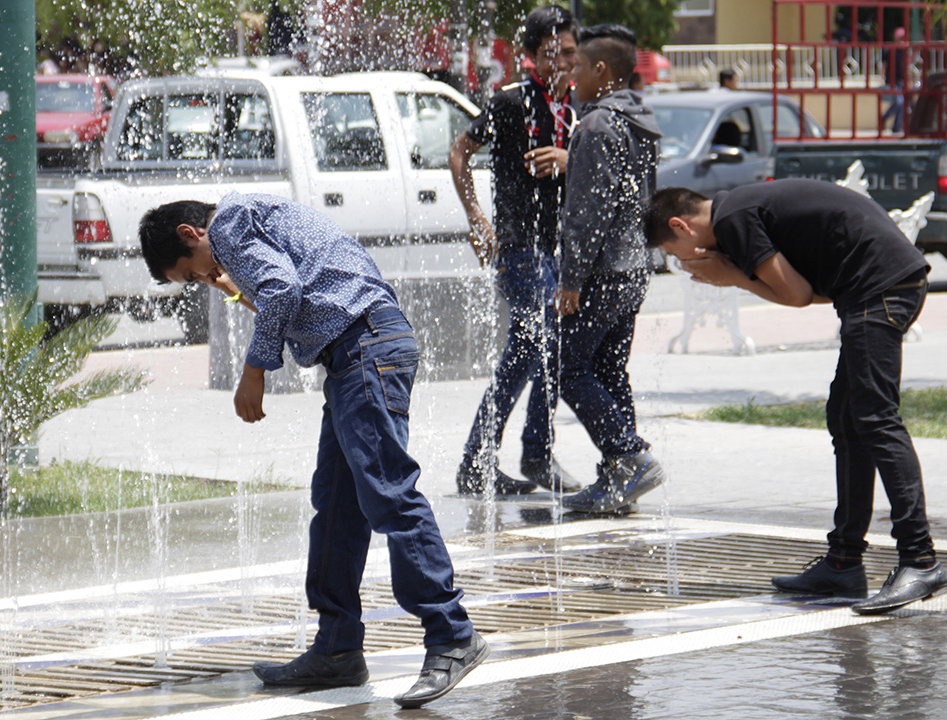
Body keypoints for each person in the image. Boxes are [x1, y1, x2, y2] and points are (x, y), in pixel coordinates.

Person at [137, 192, 488, 708]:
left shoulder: (229, 222)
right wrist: (233, 289)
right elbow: (293, 295)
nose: (200, 281)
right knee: (338, 508)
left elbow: (283, 289)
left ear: (191, 235)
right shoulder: (246, 224)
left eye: (191, 275)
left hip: (365, 350)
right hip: (357, 355)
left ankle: (452, 634)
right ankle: (337, 649)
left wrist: (253, 370)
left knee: (389, 496)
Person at [645, 179, 946, 615]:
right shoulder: (740, 207)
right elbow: (810, 287)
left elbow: (797, 295)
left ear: (682, 226)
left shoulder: (732, 220)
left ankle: (920, 559)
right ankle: (843, 563)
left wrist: (732, 277)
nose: (684, 263)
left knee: (876, 419)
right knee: (847, 419)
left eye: (675, 253)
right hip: (877, 286)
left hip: (879, 287)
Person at [448, 5, 582, 496]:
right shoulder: (512, 102)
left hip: (557, 250)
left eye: (570, 52)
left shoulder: (575, 108)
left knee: (531, 352)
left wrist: (570, 159)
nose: (564, 62)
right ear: (530, 55)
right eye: (553, 54)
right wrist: (477, 219)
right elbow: (458, 152)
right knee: (542, 343)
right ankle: (527, 454)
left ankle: (489, 459)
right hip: (520, 249)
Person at [554, 24, 666, 515]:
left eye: (577, 65)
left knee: (567, 365)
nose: (570, 73)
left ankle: (628, 456)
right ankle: (617, 482)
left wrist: (571, 279)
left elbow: (587, 211)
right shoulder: (641, 121)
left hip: (601, 270)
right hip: (634, 266)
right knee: (608, 369)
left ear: (601, 71)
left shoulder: (598, 125)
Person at [880, 27, 908, 133]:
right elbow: (884, 65)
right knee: (900, 102)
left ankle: (895, 126)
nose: (901, 40)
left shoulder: (903, 51)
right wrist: (882, 78)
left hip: (901, 80)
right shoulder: (889, 50)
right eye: (900, 38)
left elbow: (905, 66)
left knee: (901, 103)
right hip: (891, 80)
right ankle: (887, 120)